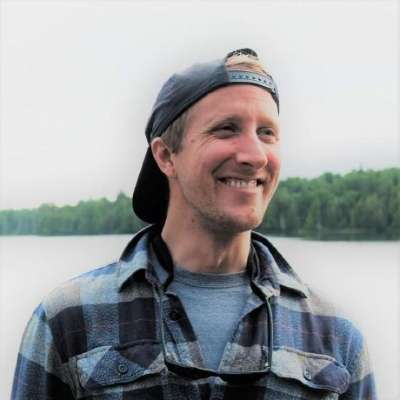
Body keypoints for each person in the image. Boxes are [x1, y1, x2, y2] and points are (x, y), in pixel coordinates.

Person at [12, 48, 376, 399]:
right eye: (226, 129)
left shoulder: (337, 339)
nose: (253, 155)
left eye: (267, 132)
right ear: (166, 156)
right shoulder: (67, 321)